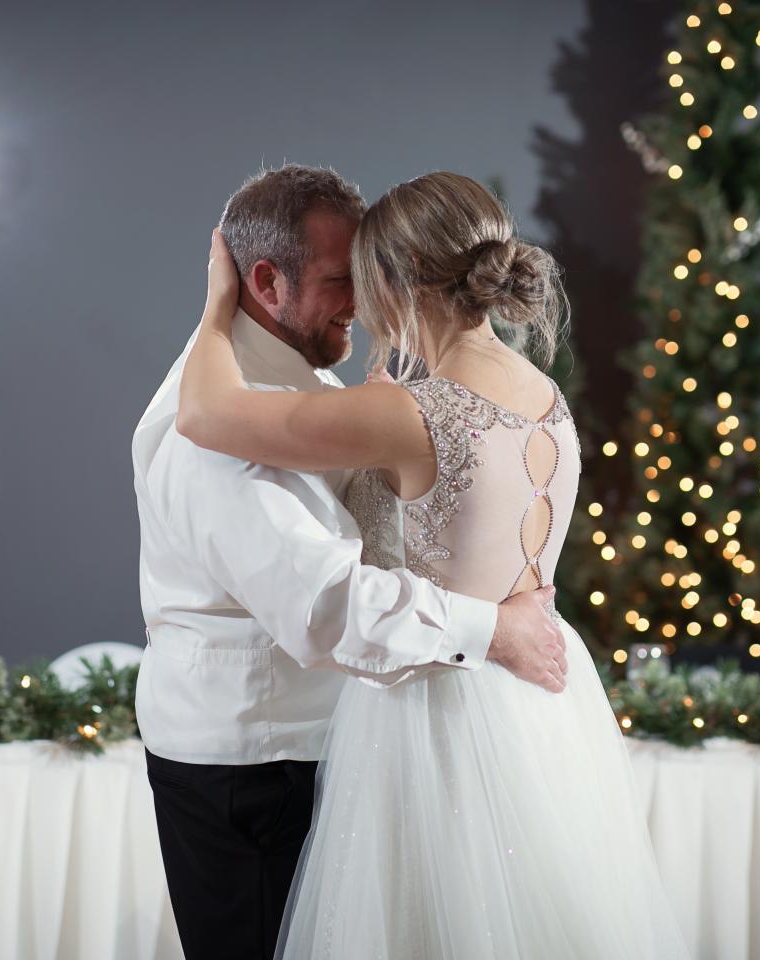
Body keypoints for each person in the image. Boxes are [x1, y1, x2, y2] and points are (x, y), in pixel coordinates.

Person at [178, 171, 689, 958]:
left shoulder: (411, 411)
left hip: (438, 708)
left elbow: (205, 414)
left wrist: (219, 304)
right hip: (541, 700)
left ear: (392, 280)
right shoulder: (543, 392)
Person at [132, 165, 569, 960]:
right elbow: (327, 606)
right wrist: (496, 630)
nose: (364, 305)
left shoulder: (319, 388)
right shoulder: (218, 440)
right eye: (342, 282)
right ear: (264, 281)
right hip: (256, 770)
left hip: (337, 741)